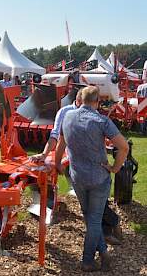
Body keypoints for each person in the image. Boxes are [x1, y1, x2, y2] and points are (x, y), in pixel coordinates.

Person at [55, 86, 129, 272]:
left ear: (80, 99)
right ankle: (88, 260)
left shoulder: (67, 116)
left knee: (90, 218)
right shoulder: (101, 120)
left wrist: (57, 164)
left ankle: (103, 253)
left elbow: (60, 143)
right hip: (98, 178)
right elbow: (124, 147)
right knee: (94, 220)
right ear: (97, 101)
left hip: (77, 177)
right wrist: (115, 168)